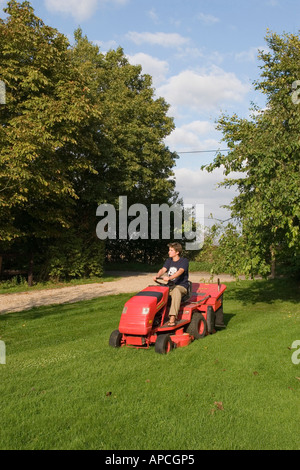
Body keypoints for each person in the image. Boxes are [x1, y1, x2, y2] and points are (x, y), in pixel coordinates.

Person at [153, 242, 189, 326]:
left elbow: (180, 271)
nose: (169, 252)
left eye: (171, 250)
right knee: (155, 290)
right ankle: (154, 317)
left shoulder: (184, 261)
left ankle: (172, 318)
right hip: (170, 287)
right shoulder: (169, 261)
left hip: (181, 287)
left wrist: (169, 278)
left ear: (177, 252)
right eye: (169, 250)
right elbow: (163, 269)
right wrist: (157, 276)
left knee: (176, 291)